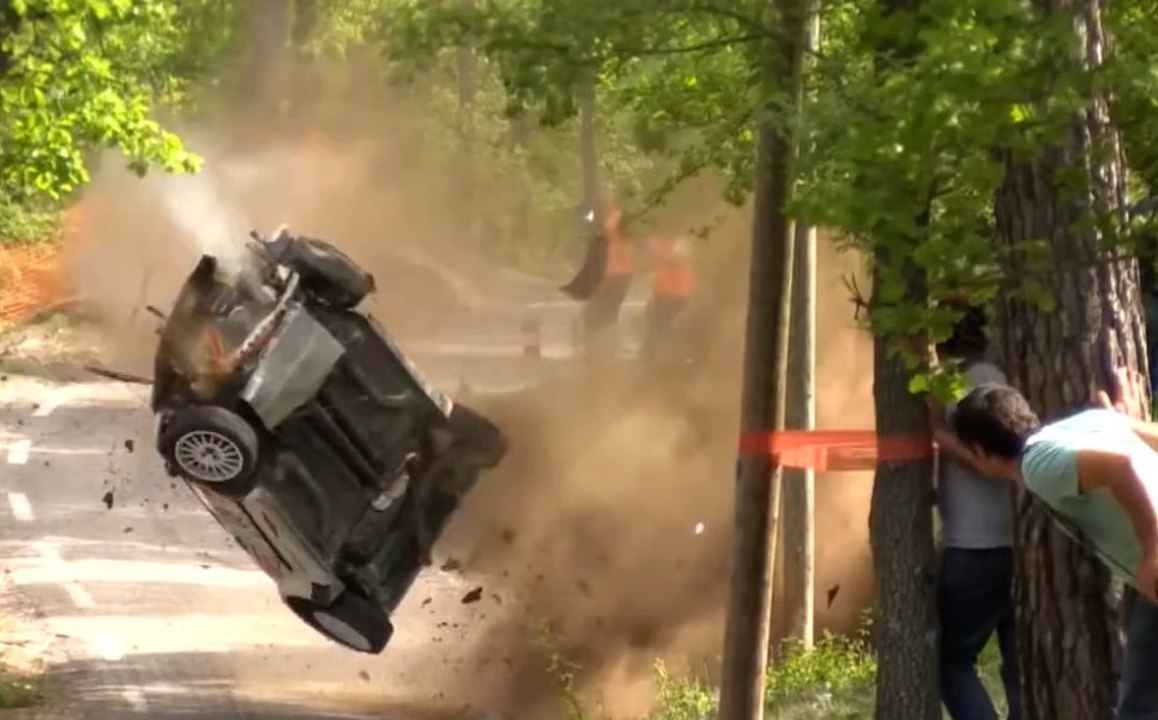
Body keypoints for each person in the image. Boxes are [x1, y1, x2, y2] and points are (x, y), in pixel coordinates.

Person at [952, 367, 1158, 720]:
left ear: (978, 451)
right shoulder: (1090, 422)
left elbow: (1121, 467)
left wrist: (1153, 550)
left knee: (1140, 707)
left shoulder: (1037, 464)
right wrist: (1125, 426)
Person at [926, 306, 1022, 720]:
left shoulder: (963, 386)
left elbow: (983, 460)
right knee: (1019, 665)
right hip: (1016, 543)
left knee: (950, 664)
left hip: (976, 548)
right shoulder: (1009, 378)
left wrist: (936, 433)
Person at [642, 231, 694, 364]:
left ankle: (666, 357)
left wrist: (659, 253)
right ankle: (654, 357)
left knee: (666, 324)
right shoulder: (655, 241)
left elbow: (678, 256)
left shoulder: (680, 242)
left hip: (677, 292)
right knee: (657, 324)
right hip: (660, 292)